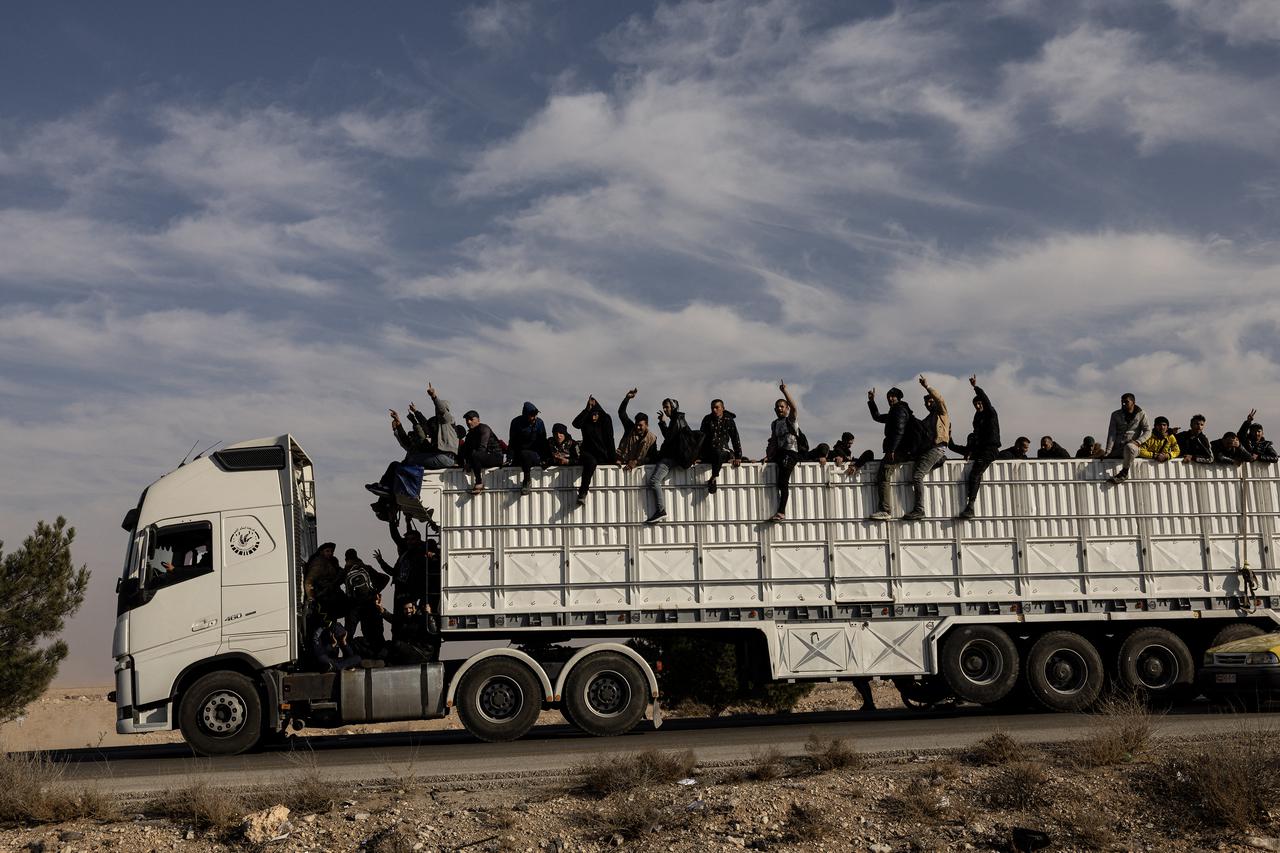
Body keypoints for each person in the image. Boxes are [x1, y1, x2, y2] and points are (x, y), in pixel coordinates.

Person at [898, 375, 950, 521]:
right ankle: (939, 460)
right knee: (914, 475)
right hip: (929, 450)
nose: (929, 403)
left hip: (936, 448)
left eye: (930, 401)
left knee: (917, 476)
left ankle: (919, 510)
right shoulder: (927, 420)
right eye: (927, 402)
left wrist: (927, 387)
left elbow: (940, 399)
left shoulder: (942, 414)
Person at [868, 386, 918, 521]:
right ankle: (885, 509)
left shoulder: (899, 410)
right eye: (888, 396)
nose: (890, 399)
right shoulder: (894, 411)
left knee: (883, 473)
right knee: (883, 474)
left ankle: (885, 510)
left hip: (899, 449)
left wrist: (892, 450)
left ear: (899, 397)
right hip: (899, 449)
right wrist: (872, 401)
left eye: (893, 396)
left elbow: (899, 431)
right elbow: (877, 417)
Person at [646, 397, 698, 524]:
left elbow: (668, 439)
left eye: (667, 407)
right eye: (663, 407)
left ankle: (661, 510)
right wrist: (663, 423)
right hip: (673, 456)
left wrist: (662, 423)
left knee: (654, 481)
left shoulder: (677, 420)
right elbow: (670, 437)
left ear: (673, 407)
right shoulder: (677, 419)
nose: (664, 409)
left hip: (672, 457)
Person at [958, 376, 1001, 520]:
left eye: (979, 403)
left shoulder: (990, 413)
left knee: (975, 474)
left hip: (990, 448)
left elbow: (986, 400)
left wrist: (975, 387)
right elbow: (975, 437)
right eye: (975, 404)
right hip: (981, 448)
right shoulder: (977, 419)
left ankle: (971, 506)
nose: (978, 406)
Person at [765, 381, 801, 521]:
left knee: (783, 482)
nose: (780, 409)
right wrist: (768, 456)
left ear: (786, 409)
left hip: (790, 453)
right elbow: (773, 441)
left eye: (782, 406)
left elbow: (794, 407)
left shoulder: (790, 420)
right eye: (777, 407)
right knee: (777, 481)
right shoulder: (774, 423)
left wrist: (784, 391)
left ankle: (781, 512)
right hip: (779, 453)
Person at [372, 515, 426, 610]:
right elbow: (393, 572)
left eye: (412, 539)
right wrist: (381, 561)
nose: (409, 542)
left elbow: (396, 537)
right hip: (400, 593)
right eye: (408, 540)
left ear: (418, 540)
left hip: (415, 594)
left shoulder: (422, 554)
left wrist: (394, 522)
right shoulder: (403, 557)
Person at [572, 396, 616, 506]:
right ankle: (583, 493)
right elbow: (575, 424)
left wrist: (613, 459)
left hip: (602, 454)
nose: (593, 417)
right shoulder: (586, 420)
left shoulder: (605, 419)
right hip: (587, 453)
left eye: (596, 414)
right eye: (592, 414)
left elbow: (610, 440)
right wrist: (587, 409)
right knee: (591, 462)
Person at [341, 547, 388, 650]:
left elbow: (334, 585)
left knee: (348, 634)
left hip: (353, 606)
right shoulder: (366, 568)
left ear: (346, 559)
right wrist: (375, 592)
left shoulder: (345, 571)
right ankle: (379, 656)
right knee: (374, 632)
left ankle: (349, 657)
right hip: (370, 604)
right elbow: (386, 578)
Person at [407, 382, 459, 470]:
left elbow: (441, 409)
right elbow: (425, 423)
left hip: (446, 457)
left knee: (412, 460)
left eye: (438, 409)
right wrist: (415, 412)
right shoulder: (438, 424)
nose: (437, 411)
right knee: (415, 457)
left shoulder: (448, 419)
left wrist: (433, 396)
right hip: (440, 456)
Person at [1104, 393, 1150, 484]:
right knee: (1102, 457)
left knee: (1129, 447)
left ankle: (1124, 473)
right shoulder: (1115, 414)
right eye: (1122, 402)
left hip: (1133, 447)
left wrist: (1138, 441)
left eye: (1126, 402)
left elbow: (1148, 431)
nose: (1123, 404)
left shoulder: (1141, 414)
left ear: (1133, 402)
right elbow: (1112, 433)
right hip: (1118, 448)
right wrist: (1108, 451)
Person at [699, 399, 743, 494]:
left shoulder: (728, 420)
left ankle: (713, 478)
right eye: (712, 408)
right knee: (714, 453)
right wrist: (696, 456)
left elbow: (735, 437)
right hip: (709, 451)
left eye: (717, 407)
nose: (714, 410)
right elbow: (700, 438)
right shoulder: (707, 419)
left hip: (724, 451)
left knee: (720, 453)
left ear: (723, 408)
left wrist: (738, 456)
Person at [380, 598, 441, 664]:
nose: (408, 610)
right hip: (412, 649)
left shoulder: (422, 618)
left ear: (415, 608)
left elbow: (433, 631)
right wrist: (381, 609)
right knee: (388, 644)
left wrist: (429, 614)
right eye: (406, 609)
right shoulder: (406, 619)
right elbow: (393, 619)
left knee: (397, 644)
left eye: (410, 608)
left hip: (422, 653)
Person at [508, 402, 550, 496]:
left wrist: (545, 459)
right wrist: (509, 458)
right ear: (525, 415)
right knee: (524, 454)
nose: (534, 417)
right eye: (532, 415)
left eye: (535, 415)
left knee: (527, 454)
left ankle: (527, 480)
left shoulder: (539, 422)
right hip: (520, 455)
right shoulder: (516, 423)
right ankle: (527, 480)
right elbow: (512, 441)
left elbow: (544, 442)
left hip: (535, 455)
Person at [459, 410, 503, 495]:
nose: (468, 422)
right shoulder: (470, 435)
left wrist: (470, 462)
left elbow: (482, 448)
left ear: (478, 420)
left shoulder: (484, 428)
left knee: (476, 455)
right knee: (471, 454)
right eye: (467, 420)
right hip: (482, 458)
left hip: (495, 456)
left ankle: (479, 482)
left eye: (471, 419)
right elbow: (466, 451)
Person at [617, 388, 659, 469]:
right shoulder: (630, 428)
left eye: (640, 425)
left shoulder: (652, 438)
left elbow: (652, 457)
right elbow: (621, 413)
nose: (637, 427)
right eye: (636, 424)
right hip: (621, 466)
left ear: (647, 425)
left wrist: (636, 462)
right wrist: (627, 398)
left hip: (638, 471)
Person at [303, 542, 347, 618]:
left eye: (331, 551)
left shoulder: (331, 563)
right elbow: (309, 581)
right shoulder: (319, 563)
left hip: (330, 598)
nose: (330, 553)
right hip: (322, 599)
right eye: (327, 551)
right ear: (321, 552)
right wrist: (311, 598)